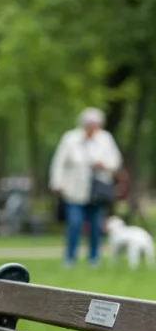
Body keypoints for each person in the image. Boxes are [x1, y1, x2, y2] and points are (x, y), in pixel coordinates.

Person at [49, 107, 122, 266]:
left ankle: (94, 258)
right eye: (89, 123)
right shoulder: (70, 138)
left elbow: (116, 161)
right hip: (74, 190)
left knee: (96, 226)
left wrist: (104, 165)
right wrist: (57, 183)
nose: (92, 127)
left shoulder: (105, 139)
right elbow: (59, 162)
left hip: (98, 191)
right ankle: (70, 257)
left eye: (95, 124)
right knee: (74, 223)